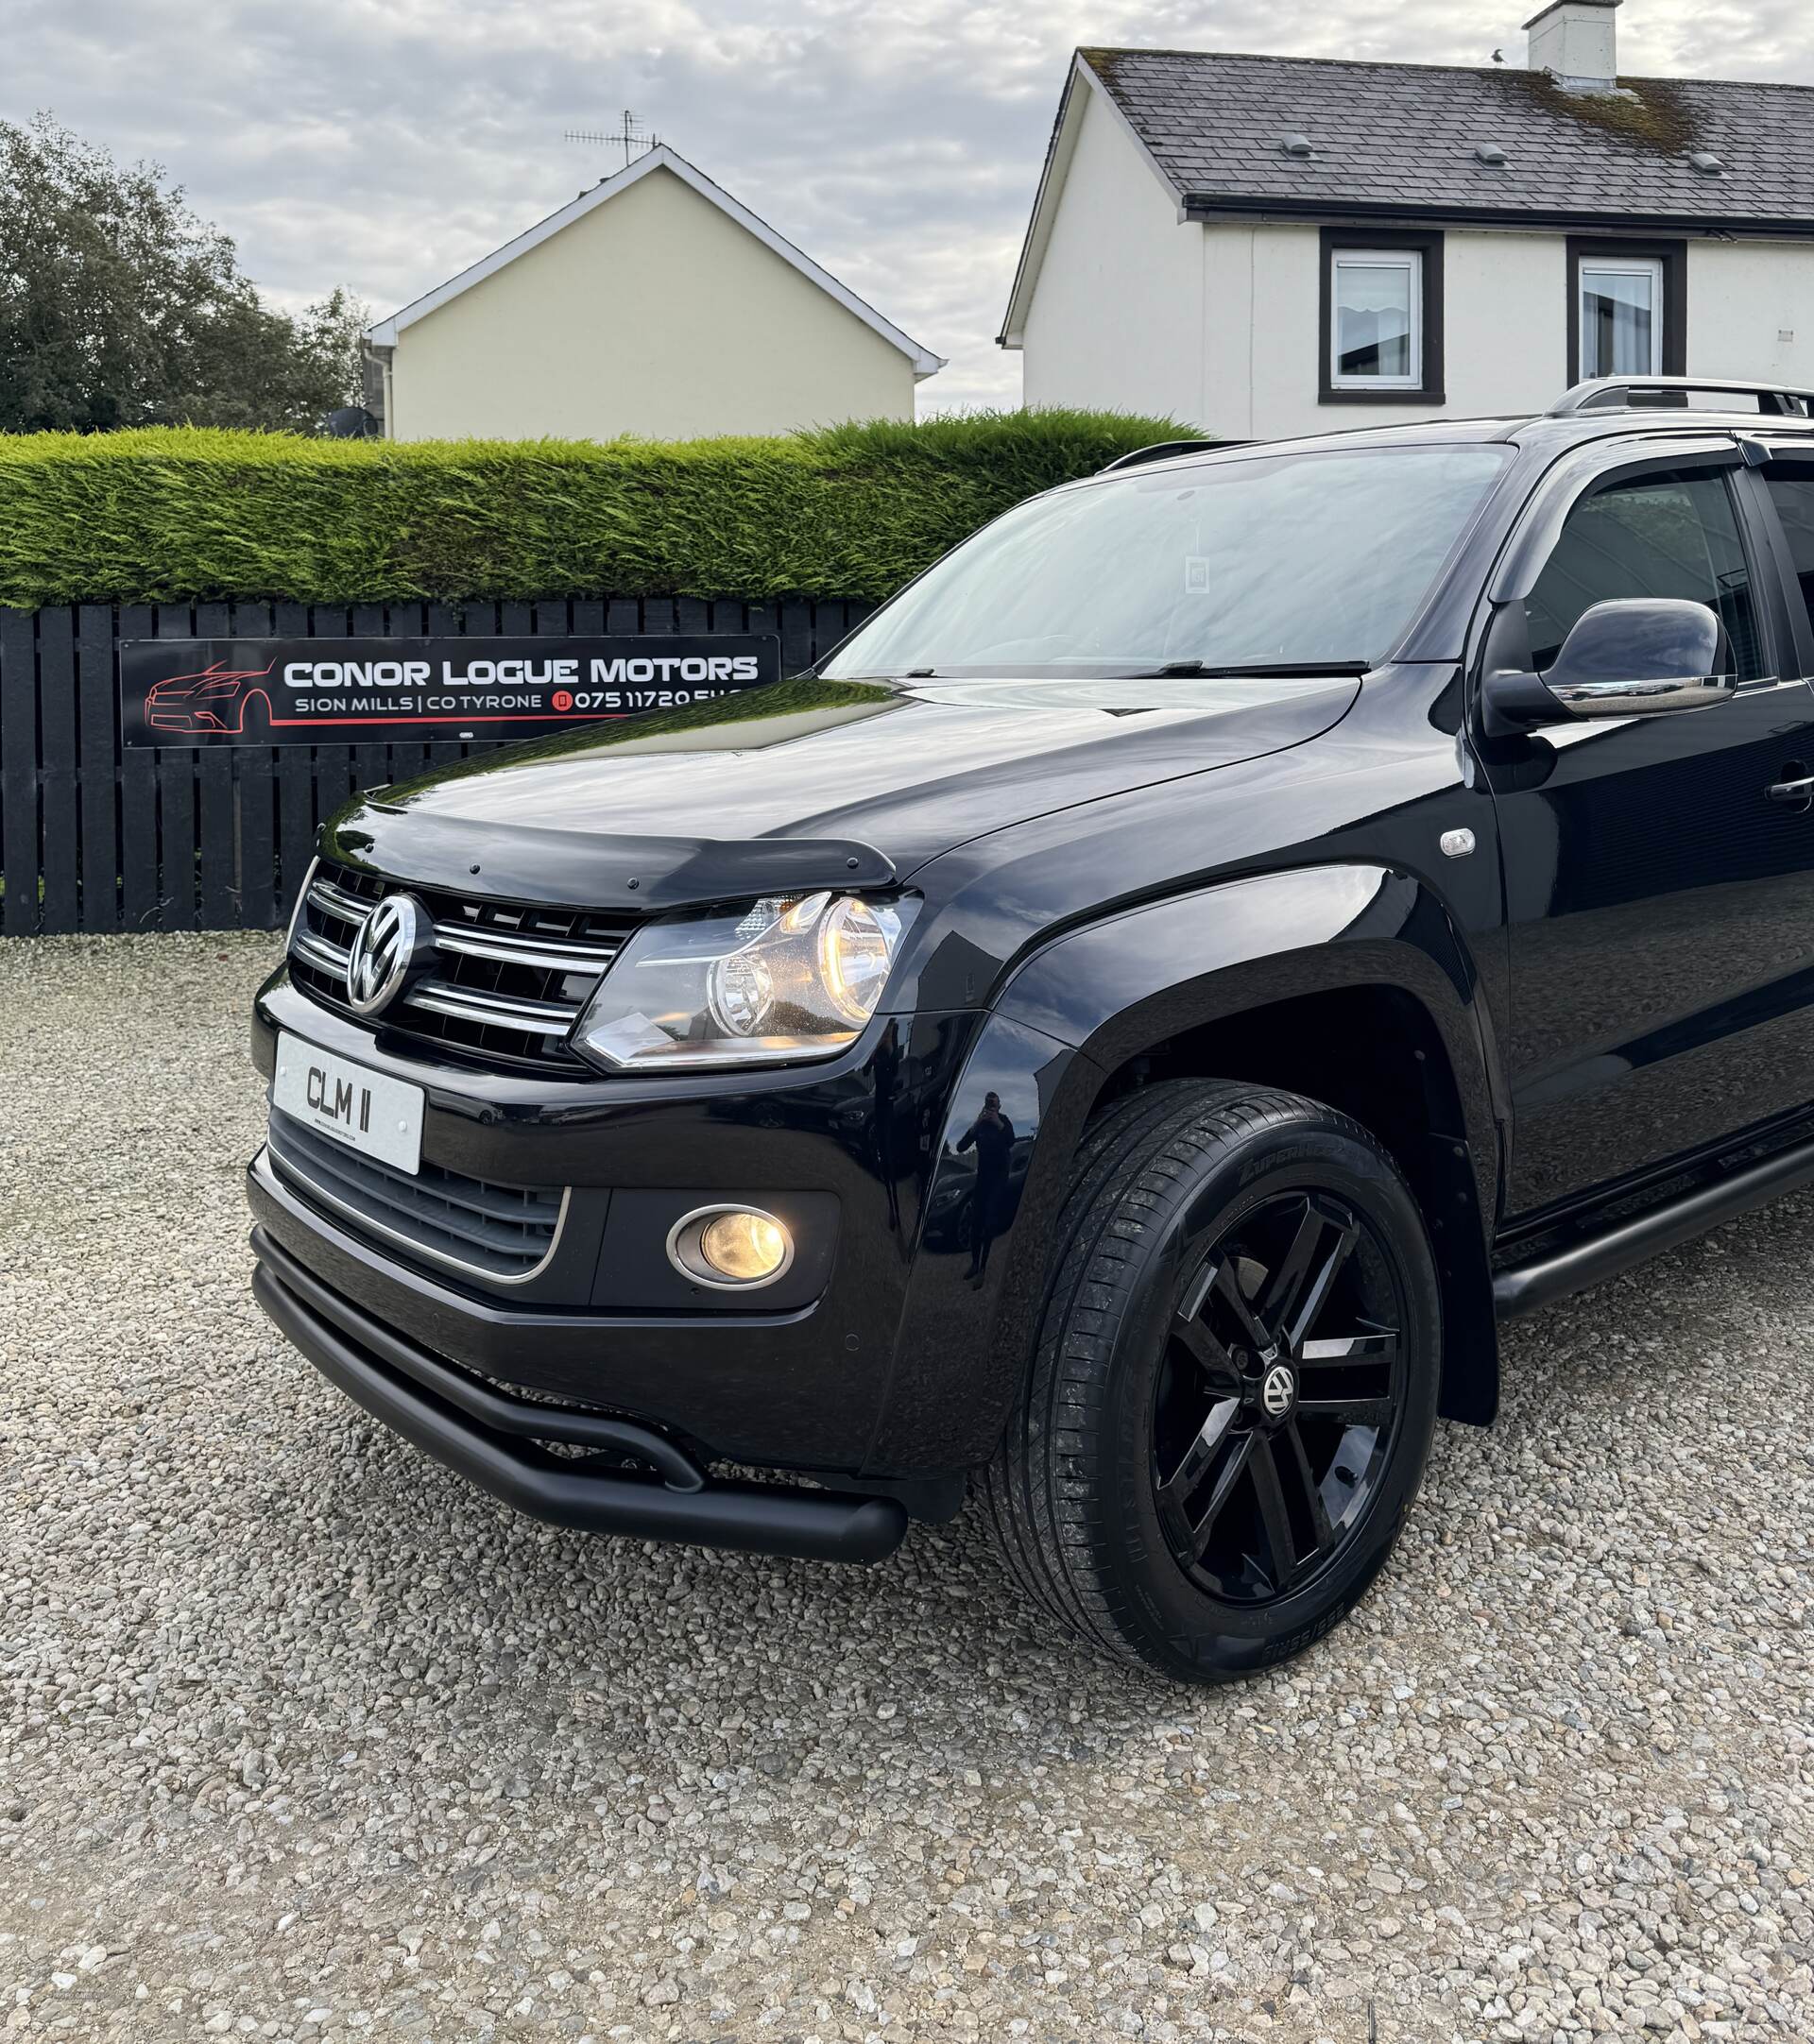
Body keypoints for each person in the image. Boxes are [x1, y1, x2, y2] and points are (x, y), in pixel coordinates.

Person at [955, 1091, 1015, 1282]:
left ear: (999, 1107)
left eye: (994, 1106)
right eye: (988, 1105)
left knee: (989, 1221)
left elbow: (1011, 1140)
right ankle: (974, 1263)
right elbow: (960, 1147)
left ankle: (983, 1268)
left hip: (999, 1178)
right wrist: (975, 1125)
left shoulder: (1003, 1121)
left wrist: (997, 1122)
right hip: (983, 1177)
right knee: (976, 1220)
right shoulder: (980, 1124)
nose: (991, 1109)